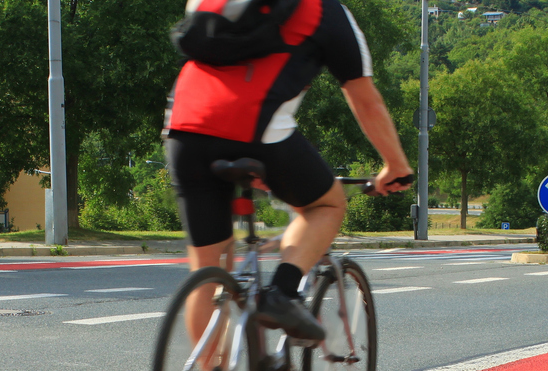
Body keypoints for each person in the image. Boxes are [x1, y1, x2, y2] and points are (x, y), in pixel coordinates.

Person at [165, 0, 414, 343]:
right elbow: (364, 98)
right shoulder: (325, 11)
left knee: (208, 274)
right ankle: (281, 294)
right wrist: (396, 165)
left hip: (185, 128)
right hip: (257, 129)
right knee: (326, 204)